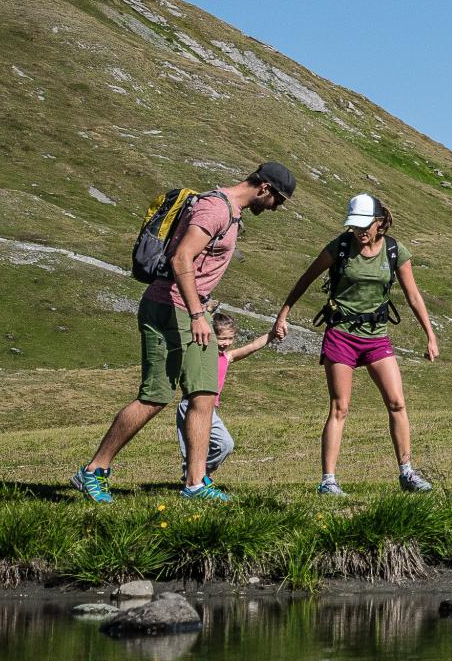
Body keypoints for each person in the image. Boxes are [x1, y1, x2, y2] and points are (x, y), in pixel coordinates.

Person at [76, 162, 295, 503]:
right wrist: (195, 313)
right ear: (265, 188)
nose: (276, 208)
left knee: (204, 394)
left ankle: (195, 484)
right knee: (155, 395)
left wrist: (201, 311)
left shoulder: (230, 212)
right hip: (170, 307)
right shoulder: (214, 208)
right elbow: (181, 259)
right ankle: (93, 471)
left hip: (194, 311)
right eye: (278, 200)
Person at [273, 194, 439, 497]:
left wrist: (430, 334)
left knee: (397, 402)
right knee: (340, 407)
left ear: (379, 222)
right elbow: (306, 279)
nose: (360, 231)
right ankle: (328, 481)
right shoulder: (340, 247)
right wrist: (283, 313)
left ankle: (407, 472)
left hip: (376, 336)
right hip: (341, 334)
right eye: (355, 226)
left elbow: (413, 296)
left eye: (365, 225)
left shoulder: (394, 251)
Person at [173, 316, 283, 491]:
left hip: (210, 410)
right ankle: (195, 480)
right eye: (222, 338)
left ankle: (198, 474)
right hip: (190, 406)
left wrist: (272, 334)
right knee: (191, 448)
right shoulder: (200, 352)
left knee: (225, 445)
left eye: (230, 338)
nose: (226, 343)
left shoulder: (227, 356)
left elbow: (253, 346)